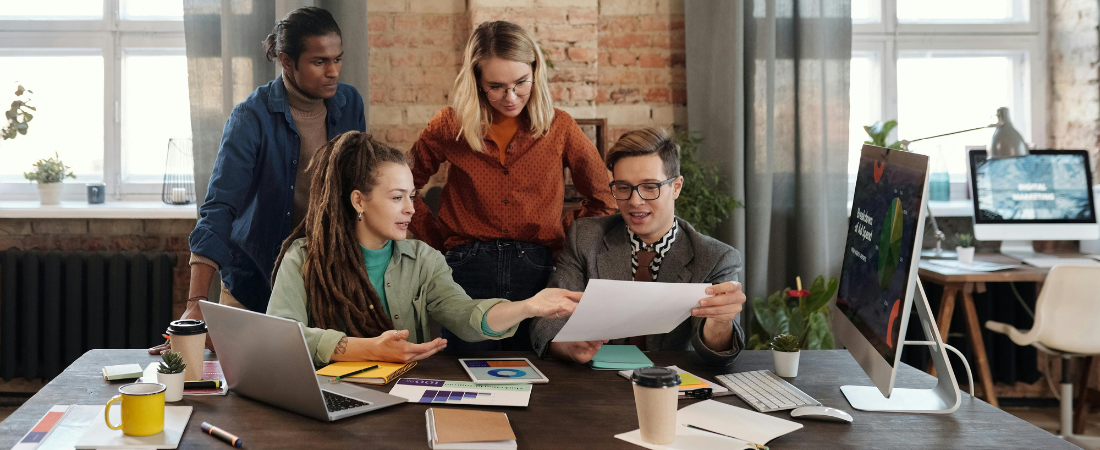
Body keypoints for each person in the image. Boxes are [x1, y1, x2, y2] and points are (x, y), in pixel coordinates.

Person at [149, 7, 365, 354]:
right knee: (242, 397)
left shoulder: (349, 103)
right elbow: (219, 207)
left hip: (326, 284)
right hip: (255, 282)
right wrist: (196, 302)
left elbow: (358, 190)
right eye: (320, 61)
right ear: (286, 61)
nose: (334, 71)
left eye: (338, 59)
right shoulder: (251, 117)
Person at [267, 131, 582, 365]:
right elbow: (280, 337)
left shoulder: (424, 260)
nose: (411, 209)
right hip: (329, 400)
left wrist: (528, 306)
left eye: (411, 196)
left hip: (404, 401)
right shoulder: (303, 258)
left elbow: (466, 315)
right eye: (396, 197)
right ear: (359, 200)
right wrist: (366, 349)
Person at [408, 20, 616, 352]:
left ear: (536, 71)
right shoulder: (450, 126)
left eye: (521, 83)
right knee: (466, 372)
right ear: (477, 80)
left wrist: (562, 233)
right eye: (496, 86)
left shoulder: (559, 126)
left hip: (536, 269)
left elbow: (605, 198)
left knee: (536, 372)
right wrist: (436, 242)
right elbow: (405, 186)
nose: (511, 96)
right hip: (465, 269)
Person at [530, 128, 747, 366]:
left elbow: (716, 353)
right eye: (623, 187)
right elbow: (547, 318)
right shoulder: (585, 237)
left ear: (676, 187)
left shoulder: (716, 257)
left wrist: (721, 321)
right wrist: (566, 345)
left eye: (650, 187)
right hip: (595, 385)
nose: (635, 201)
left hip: (671, 386)